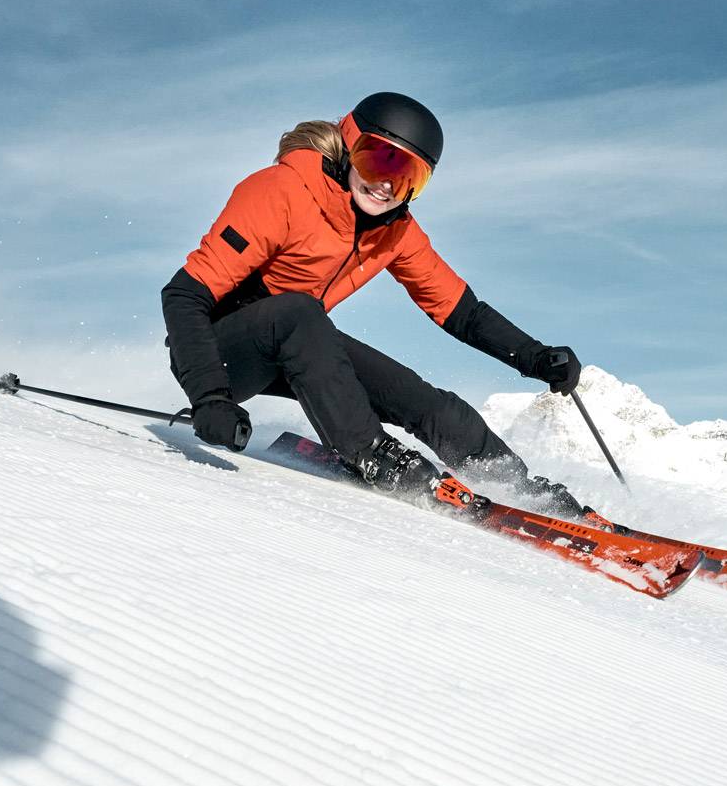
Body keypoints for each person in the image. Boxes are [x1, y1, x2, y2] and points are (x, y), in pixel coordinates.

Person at [161, 93, 588, 515]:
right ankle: (375, 455)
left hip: (299, 346)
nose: (386, 184)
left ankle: (520, 489)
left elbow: (461, 311)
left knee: (428, 403)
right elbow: (184, 295)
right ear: (349, 145)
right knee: (300, 313)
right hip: (213, 354)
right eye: (378, 159)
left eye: (408, 176)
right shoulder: (282, 190)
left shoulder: (395, 231)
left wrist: (535, 357)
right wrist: (211, 397)